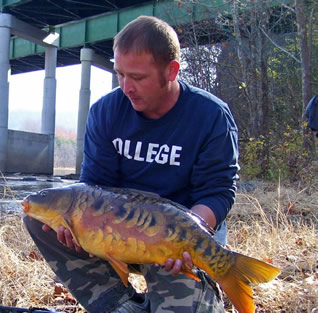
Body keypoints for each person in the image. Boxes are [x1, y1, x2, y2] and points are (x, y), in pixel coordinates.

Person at [24, 15, 239, 313]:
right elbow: (93, 186)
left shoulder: (211, 116)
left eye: (138, 77)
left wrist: (187, 239)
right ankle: (120, 304)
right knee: (40, 219)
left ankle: (208, 284)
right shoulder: (106, 111)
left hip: (177, 241)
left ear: (172, 71)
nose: (126, 87)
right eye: (120, 74)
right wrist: (72, 222)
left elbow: (218, 192)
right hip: (115, 232)